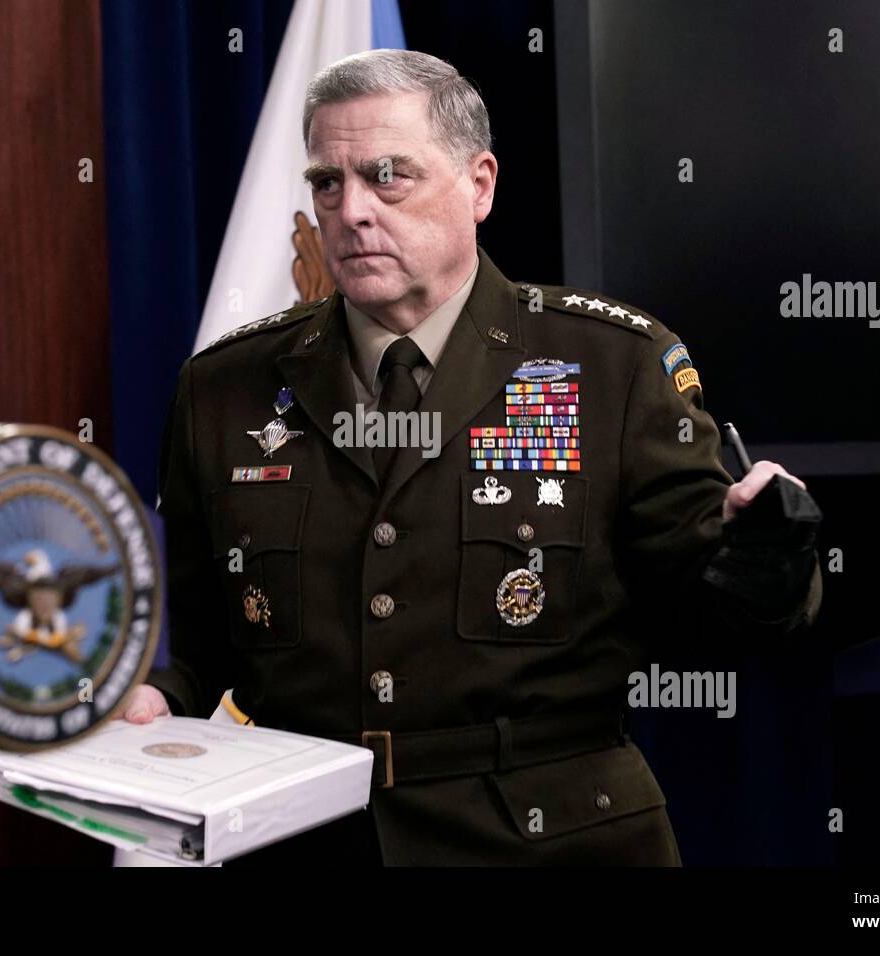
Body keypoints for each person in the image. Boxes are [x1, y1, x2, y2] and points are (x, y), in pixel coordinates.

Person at [120, 49, 822, 866]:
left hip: (548, 839)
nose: (350, 211)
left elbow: (723, 613)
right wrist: (158, 695)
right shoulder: (224, 386)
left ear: (479, 184)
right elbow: (195, 637)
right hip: (303, 837)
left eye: (389, 177)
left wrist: (767, 554)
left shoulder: (611, 365)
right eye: (326, 182)